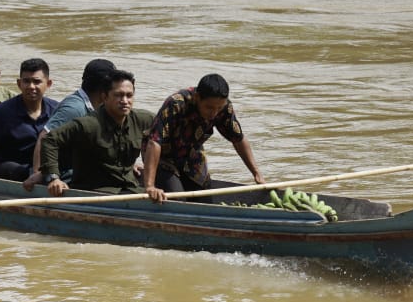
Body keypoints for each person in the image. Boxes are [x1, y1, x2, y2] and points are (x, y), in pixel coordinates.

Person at [142, 73, 264, 202]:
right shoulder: (176, 103)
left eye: (219, 108)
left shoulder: (224, 108)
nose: (214, 113)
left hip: (191, 154)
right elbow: (154, 143)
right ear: (197, 97)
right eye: (209, 107)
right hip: (162, 157)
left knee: (205, 199)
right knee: (177, 198)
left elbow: (238, 139)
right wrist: (150, 186)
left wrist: (256, 173)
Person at [39, 69, 154, 196]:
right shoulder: (88, 124)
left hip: (130, 187)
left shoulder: (143, 119)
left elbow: (165, 131)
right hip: (95, 192)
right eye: (118, 95)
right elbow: (50, 140)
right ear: (104, 97)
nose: (125, 101)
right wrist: (54, 178)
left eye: (129, 95)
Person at [25, 58, 115, 190]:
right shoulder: (74, 109)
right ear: (104, 90)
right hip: (66, 174)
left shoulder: (99, 108)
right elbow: (45, 137)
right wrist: (40, 175)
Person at [0, 58, 58, 182]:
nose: (31, 86)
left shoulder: (57, 111)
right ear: (19, 83)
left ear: (48, 84)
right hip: (11, 170)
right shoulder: (2, 112)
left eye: (37, 82)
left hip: (43, 170)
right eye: (26, 81)